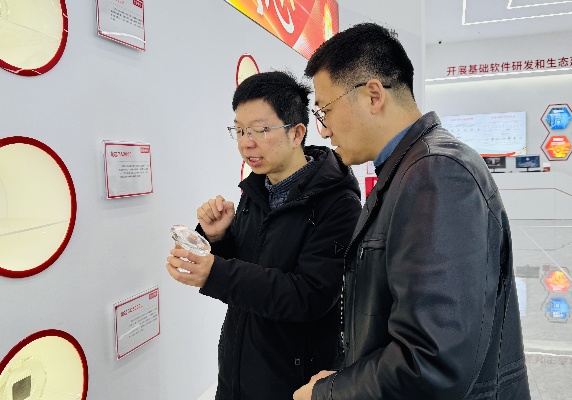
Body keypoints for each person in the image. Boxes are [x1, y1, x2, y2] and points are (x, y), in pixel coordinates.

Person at [294, 23, 530, 399]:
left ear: (373, 95)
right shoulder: (408, 171)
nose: (324, 131)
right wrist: (344, 378)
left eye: (325, 110)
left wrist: (326, 394)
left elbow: (431, 361)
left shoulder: (436, 173)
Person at [166, 71, 361, 400]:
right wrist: (218, 238)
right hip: (236, 372)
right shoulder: (257, 190)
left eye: (260, 130)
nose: (246, 143)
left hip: (295, 382)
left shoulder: (338, 203)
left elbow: (310, 296)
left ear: (296, 132)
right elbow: (251, 272)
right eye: (240, 130)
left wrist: (216, 272)